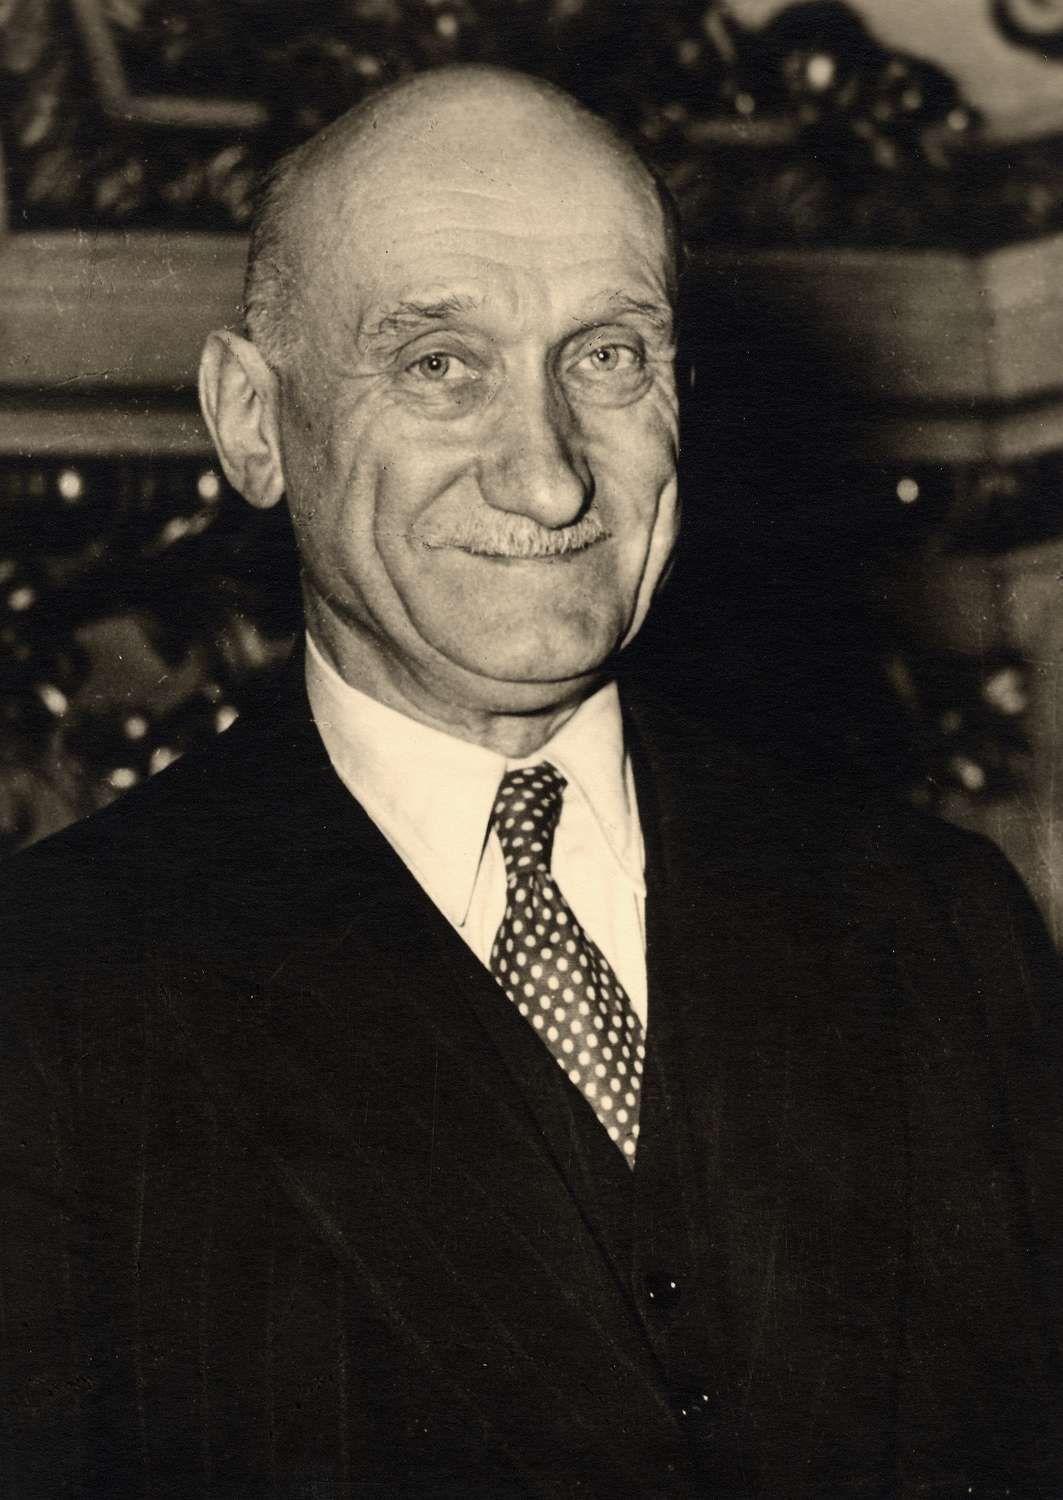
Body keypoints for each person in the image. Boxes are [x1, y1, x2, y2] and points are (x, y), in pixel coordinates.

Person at [1, 64, 1060, 1500]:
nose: (551, 478)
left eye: (607, 355)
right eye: (441, 364)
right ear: (253, 422)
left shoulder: (937, 926)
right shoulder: (52, 990)